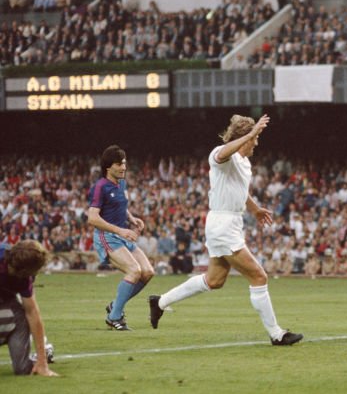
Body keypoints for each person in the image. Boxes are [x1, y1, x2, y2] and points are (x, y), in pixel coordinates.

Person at [148, 115, 302, 346]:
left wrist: (255, 209)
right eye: (255, 138)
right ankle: (277, 334)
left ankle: (159, 302)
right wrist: (250, 133)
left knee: (215, 280)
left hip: (230, 222)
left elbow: (240, 190)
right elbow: (223, 154)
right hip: (223, 224)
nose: (256, 143)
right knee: (259, 276)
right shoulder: (219, 154)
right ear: (244, 138)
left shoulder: (244, 163)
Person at [87, 145, 155, 331]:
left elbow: (119, 206)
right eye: (119, 164)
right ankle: (114, 317)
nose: (123, 167)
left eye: (124, 163)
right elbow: (92, 218)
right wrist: (120, 230)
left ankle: (115, 305)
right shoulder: (100, 187)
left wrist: (132, 219)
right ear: (108, 167)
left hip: (122, 234)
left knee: (148, 272)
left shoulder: (121, 183)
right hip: (106, 236)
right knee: (134, 271)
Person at [0, 240, 58, 376]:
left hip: (8, 303)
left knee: (23, 369)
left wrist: (42, 363)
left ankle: (43, 352)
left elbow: (32, 312)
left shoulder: (24, 277)